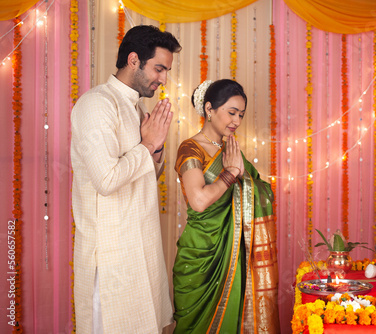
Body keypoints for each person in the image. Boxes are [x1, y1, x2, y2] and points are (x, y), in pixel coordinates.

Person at [71, 25, 181, 334]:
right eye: (159, 68)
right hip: (109, 257)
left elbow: (143, 175)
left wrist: (155, 150)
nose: (163, 79)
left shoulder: (137, 107)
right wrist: (147, 146)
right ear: (134, 60)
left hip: (139, 246)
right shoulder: (96, 105)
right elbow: (107, 180)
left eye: (166, 71)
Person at [172, 79, 280, 333]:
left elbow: (263, 192)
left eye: (240, 114)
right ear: (209, 109)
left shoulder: (231, 150)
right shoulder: (190, 149)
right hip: (201, 254)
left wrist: (242, 178)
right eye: (231, 112)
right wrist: (230, 173)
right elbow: (198, 201)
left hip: (234, 254)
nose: (237, 121)